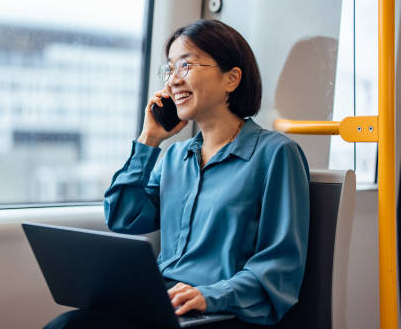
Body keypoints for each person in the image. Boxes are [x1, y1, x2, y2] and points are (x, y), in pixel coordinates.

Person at [44, 20, 310, 329]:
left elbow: (280, 267)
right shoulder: (174, 157)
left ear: (231, 79)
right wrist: (149, 140)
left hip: (223, 312)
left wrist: (210, 295)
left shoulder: (276, 154)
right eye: (169, 69)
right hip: (165, 304)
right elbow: (123, 217)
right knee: (67, 325)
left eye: (185, 66)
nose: (172, 81)